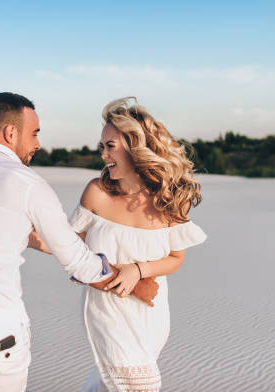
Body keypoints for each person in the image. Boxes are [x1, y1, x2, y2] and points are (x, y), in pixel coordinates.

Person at [0, 92, 156, 392]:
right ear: (11, 132)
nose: (37, 144)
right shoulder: (25, 182)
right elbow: (77, 260)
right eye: (34, 134)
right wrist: (136, 284)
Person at [73, 98, 207, 391]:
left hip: (150, 313)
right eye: (102, 147)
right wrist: (122, 278)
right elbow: (71, 255)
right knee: (138, 386)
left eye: (111, 146)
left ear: (135, 147)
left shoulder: (171, 199)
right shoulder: (96, 193)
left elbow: (175, 259)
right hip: (108, 310)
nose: (104, 155)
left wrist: (137, 270)